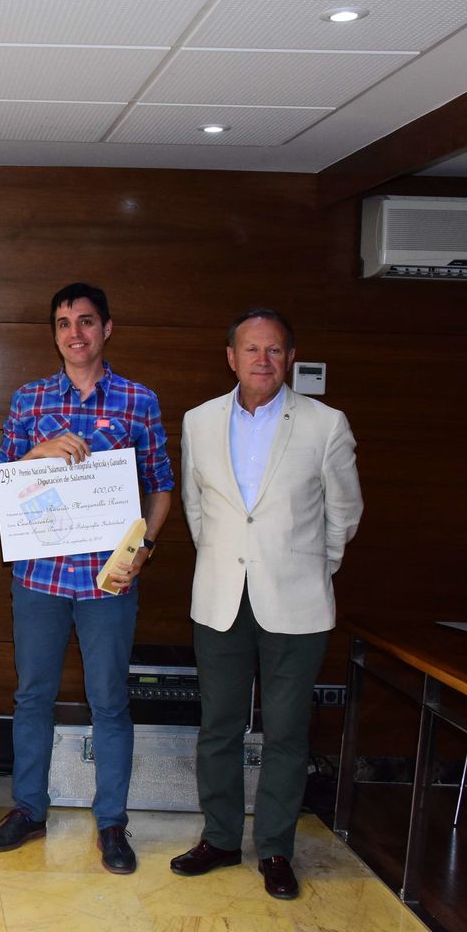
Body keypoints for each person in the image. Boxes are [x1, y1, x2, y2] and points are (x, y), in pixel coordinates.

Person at [169, 309, 362, 900]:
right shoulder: (199, 421)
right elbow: (196, 508)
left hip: (297, 602)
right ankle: (222, 838)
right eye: (251, 350)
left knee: (285, 733)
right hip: (221, 599)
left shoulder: (325, 425)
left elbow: (344, 513)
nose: (262, 360)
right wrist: (230, 560)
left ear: (289, 359)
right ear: (231, 357)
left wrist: (312, 564)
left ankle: (276, 848)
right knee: (219, 728)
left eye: (274, 351)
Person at [0, 282, 173, 874]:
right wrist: (39, 452)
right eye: (64, 323)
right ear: (54, 334)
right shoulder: (30, 398)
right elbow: (1, 479)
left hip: (108, 581)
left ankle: (112, 824)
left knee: (110, 702)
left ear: (106, 329)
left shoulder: (139, 401)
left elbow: (161, 485)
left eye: (86, 322)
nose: (75, 333)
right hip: (39, 576)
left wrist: (144, 547)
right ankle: (29, 810)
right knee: (32, 696)